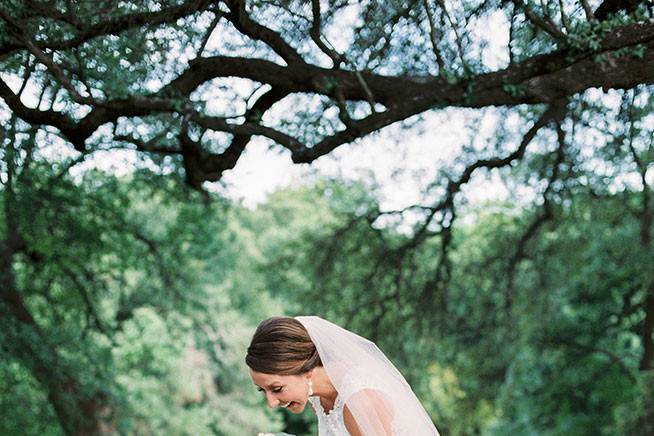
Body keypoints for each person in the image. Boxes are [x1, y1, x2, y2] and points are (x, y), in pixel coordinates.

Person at [246, 316, 440, 435]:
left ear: (306, 369)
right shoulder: (319, 397)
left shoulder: (360, 402)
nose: (271, 403)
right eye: (263, 390)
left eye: (277, 389)